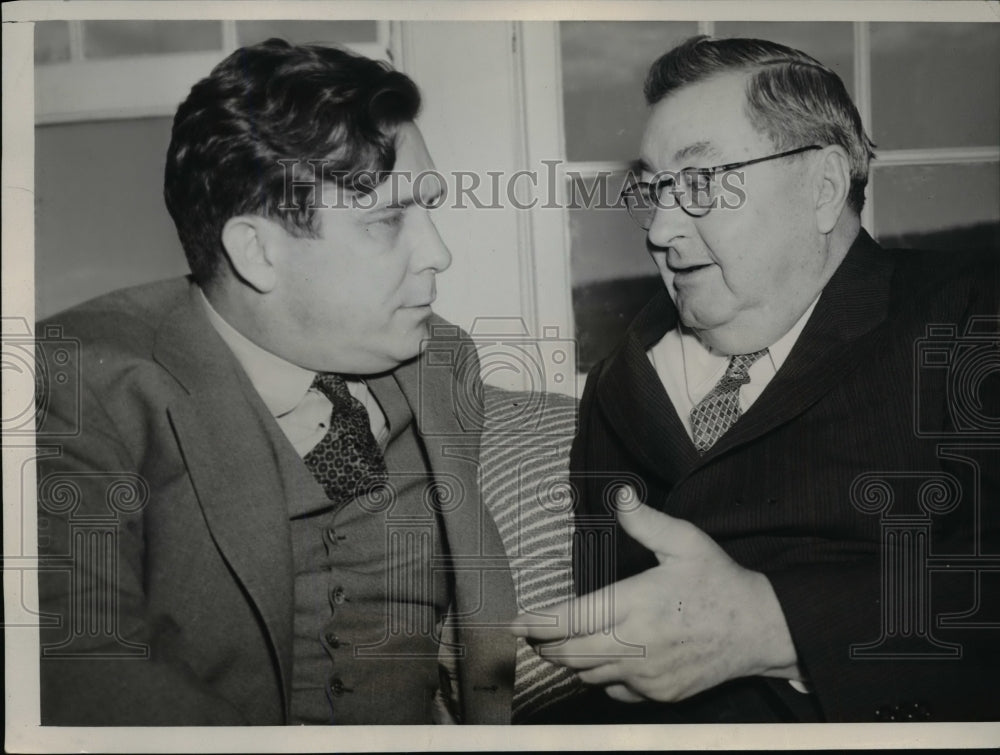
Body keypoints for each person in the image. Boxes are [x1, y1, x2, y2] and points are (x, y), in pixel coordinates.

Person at [511, 35, 999, 722]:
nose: (656, 227)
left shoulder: (972, 318)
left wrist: (777, 627)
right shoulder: (619, 381)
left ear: (823, 187)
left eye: (701, 183)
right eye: (652, 189)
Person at [35, 38, 516, 725]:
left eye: (429, 208)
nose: (439, 252)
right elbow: (80, 666)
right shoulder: (75, 383)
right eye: (388, 219)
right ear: (257, 252)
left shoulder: (440, 358)